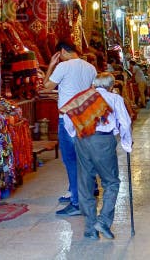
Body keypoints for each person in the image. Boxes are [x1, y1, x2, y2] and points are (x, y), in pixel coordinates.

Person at [66, 72, 132, 240]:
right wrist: (127, 143)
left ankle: (90, 229)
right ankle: (103, 221)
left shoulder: (83, 98)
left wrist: (75, 133)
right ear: (111, 86)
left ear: (94, 85)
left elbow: (68, 118)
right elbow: (125, 122)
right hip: (103, 142)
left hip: (82, 141)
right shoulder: (114, 98)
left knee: (85, 182)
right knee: (111, 182)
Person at [43, 41, 97, 216]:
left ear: (62, 52)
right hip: (85, 118)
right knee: (85, 159)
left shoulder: (63, 66)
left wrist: (51, 65)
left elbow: (46, 87)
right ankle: (85, 193)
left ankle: (76, 202)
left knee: (71, 160)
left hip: (67, 119)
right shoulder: (90, 68)